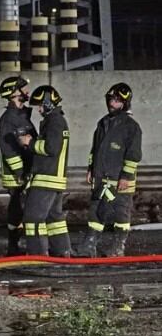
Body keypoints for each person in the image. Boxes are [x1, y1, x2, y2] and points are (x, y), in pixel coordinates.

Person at [77, 83, 142, 257]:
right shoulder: (103, 123)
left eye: (117, 100)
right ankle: (89, 245)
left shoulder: (131, 127)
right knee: (96, 211)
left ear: (125, 103)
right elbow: (95, 149)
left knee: (121, 214)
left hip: (120, 180)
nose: (112, 103)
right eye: (111, 99)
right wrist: (91, 169)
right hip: (101, 177)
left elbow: (133, 155)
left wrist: (126, 176)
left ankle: (118, 246)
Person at [17, 85, 73, 257]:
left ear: (49, 103)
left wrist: (29, 143)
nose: (39, 109)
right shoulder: (57, 121)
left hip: (46, 178)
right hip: (54, 179)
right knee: (54, 219)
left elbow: (51, 148)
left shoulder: (55, 122)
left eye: (40, 105)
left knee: (33, 218)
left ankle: (37, 254)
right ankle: (62, 252)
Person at [0, 76, 37, 255]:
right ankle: (14, 247)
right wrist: (21, 171)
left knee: (21, 209)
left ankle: (18, 246)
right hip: (18, 175)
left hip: (26, 171)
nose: (28, 91)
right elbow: (7, 148)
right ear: (13, 93)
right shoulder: (9, 119)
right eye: (24, 88)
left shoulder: (22, 116)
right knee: (18, 208)